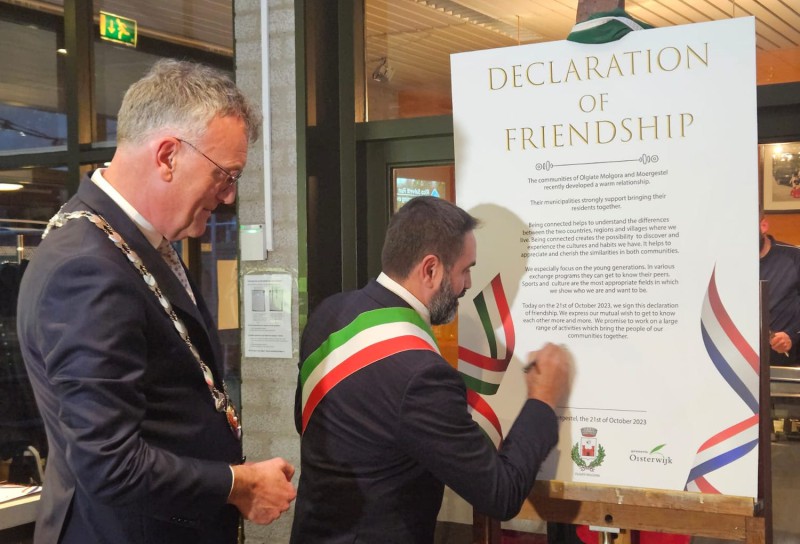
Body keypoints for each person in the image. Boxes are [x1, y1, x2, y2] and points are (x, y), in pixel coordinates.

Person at [16, 59, 296, 544]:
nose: (229, 197)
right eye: (225, 175)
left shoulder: (130, 243)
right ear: (167, 156)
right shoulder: (87, 267)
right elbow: (110, 463)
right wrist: (238, 484)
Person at [290, 196, 570, 543]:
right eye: (465, 269)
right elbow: (501, 493)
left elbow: (305, 422)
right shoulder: (422, 375)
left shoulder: (328, 314)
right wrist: (542, 399)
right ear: (431, 270)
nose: (469, 284)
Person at [760, 214, 800, 365]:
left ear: (763, 226)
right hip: (739, 364)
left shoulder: (794, 257)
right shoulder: (729, 262)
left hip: (787, 363)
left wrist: (792, 335)